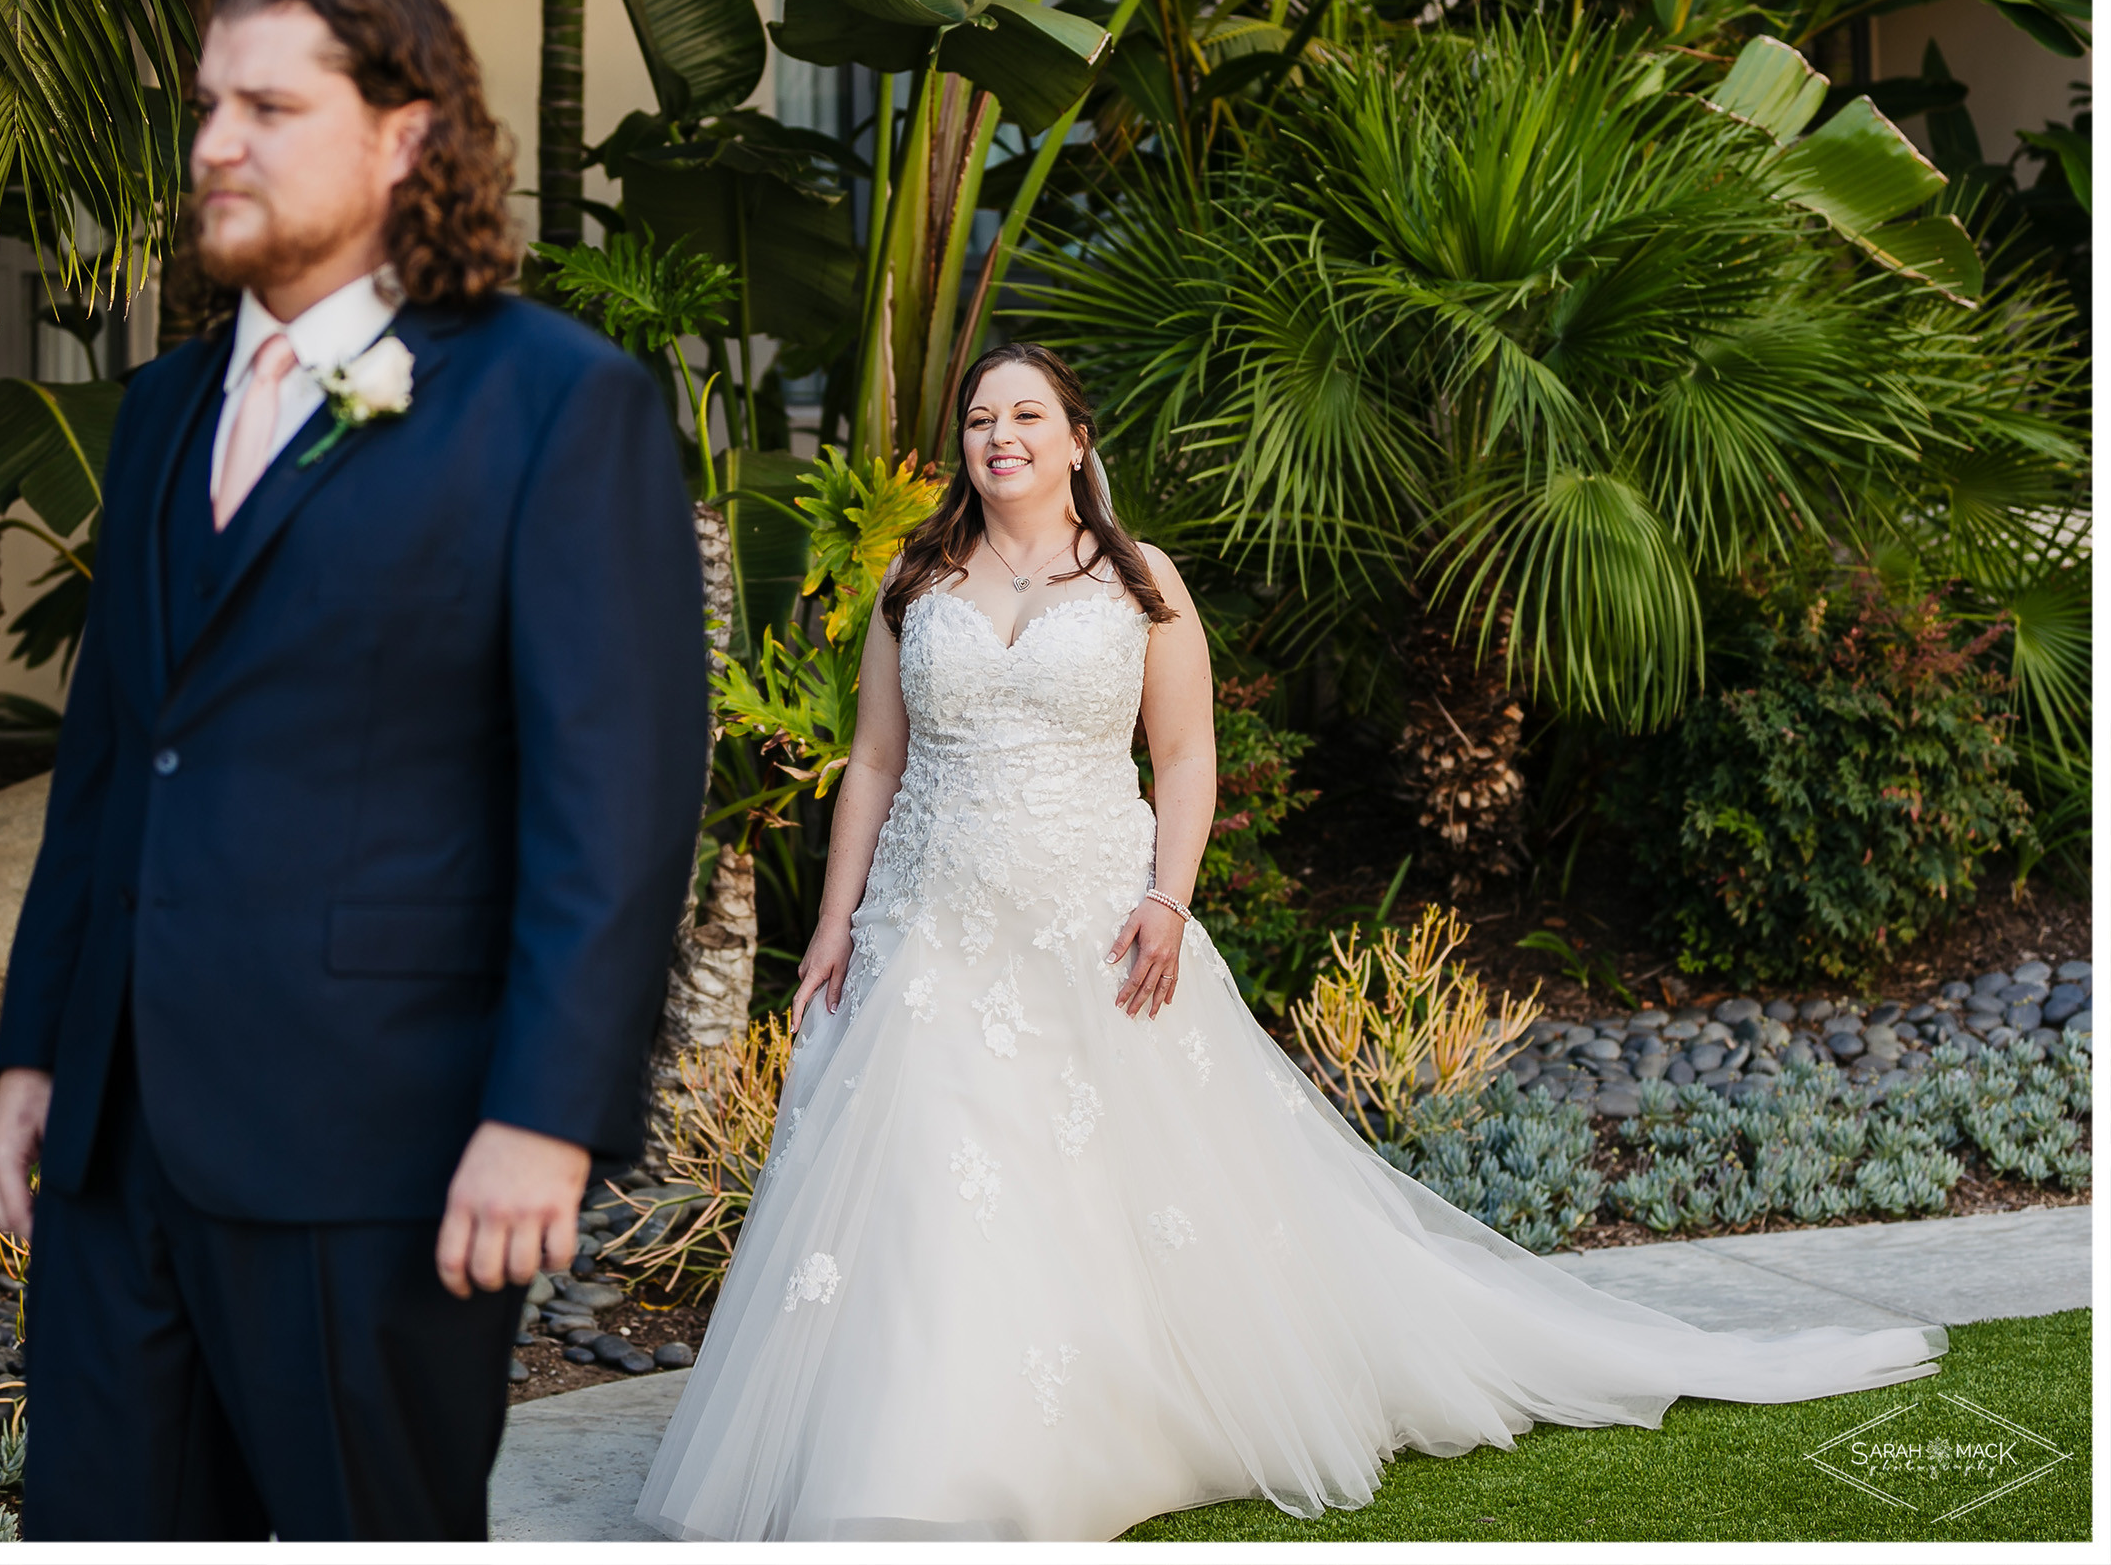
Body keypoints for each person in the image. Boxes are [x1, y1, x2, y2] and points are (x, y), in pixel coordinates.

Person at [634, 342, 1948, 1542]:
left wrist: (1168, 896)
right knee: (931, 1185)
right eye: (981, 417)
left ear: (1078, 438)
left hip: (1095, 928)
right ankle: (915, 1457)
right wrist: (833, 923)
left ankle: (1087, 1426)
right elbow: (871, 761)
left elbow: (1187, 753)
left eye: (1027, 413)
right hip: (932, 931)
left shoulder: (1141, 582)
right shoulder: (914, 582)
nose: (1001, 435)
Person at [0, 0, 707, 1541]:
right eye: (207, 110)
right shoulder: (166, 403)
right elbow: (112, 759)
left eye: (270, 108)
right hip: (118, 1133)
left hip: (380, 1137)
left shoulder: (555, 404)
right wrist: (39, 1049)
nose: (216, 145)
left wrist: (547, 1110)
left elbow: (617, 796)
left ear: (403, 135)